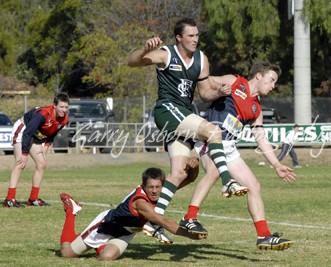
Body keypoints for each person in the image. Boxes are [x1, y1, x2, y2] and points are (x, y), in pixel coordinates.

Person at [127, 18, 248, 242]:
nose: (195, 39)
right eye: (191, 36)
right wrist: (144, 49)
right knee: (214, 132)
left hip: (183, 114)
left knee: (180, 172)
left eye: (197, 35)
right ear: (179, 38)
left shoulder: (202, 59)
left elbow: (204, 94)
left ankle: (155, 220)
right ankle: (228, 181)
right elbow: (132, 62)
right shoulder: (165, 54)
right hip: (167, 110)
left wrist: (220, 93)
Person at [178, 61, 297, 250]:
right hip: (210, 138)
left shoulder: (256, 110)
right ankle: (189, 218)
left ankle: (264, 236)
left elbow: (261, 139)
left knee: (253, 186)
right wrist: (216, 88)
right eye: (272, 80)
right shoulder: (234, 81)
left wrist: (277, 165)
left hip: (229, 147)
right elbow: (204, 81)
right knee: (214, 171)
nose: (273, 86)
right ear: (258, 76)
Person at [59, 167, 207, 261]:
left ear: (162, 185)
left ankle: (96, 245)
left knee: (106, 258)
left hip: (126, 232)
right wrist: (190, 235)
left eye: (158, 187)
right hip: (107, 226)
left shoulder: (160, 191)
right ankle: (72, 211)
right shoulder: (140, 202)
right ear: (143, 186)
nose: (155, 191)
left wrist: (194, 165)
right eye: (150, 187)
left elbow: (189, 178)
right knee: (67, 253)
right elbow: (163, 222)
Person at [3, 92, 70, 208]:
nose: (64, 110)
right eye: (61, 107)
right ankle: (10, 199)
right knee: (20, 163)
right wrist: (24, 153)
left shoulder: (65, 119)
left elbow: (53, 133)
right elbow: (27, 132)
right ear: (54, 105)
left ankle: (33, 199)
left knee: (42, 163)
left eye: (66, 107)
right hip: (23, 129)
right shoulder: (43, 114)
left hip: (33, 134)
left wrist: (47, 146)